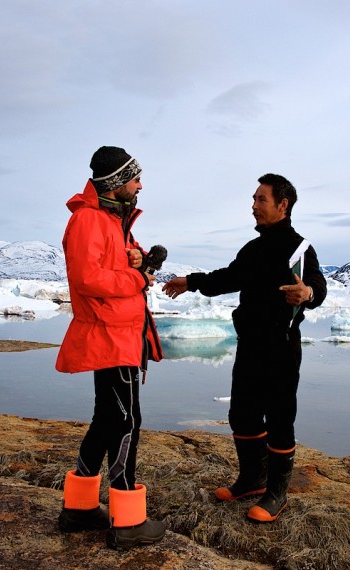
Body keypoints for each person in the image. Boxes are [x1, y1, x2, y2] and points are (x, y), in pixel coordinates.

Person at [163, 173, 327, 523]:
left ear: (282, 205)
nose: (253, 206)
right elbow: (228, 277)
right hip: (250, 344)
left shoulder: (299, 247)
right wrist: (190, 282)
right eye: (253, 199)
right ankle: (253, 479)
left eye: (260, 200)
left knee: (280, 418)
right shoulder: (253, 249)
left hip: (281, 346)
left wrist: (308, 294)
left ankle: (277, 494)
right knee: (242, 414)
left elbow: (316, 284)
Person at [55, 146, 165, 550]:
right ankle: (128, 519)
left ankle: (79, 509)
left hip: (121, 331)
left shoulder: (112, 219)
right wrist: (137, 280)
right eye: (135, 177)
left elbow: (109, 267)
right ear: (117, 183)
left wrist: (136, 259)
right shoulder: (88, 219)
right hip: (110, 332)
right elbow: (88, 279)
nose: (140, 184)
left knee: (108, 418)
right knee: (126, 421)